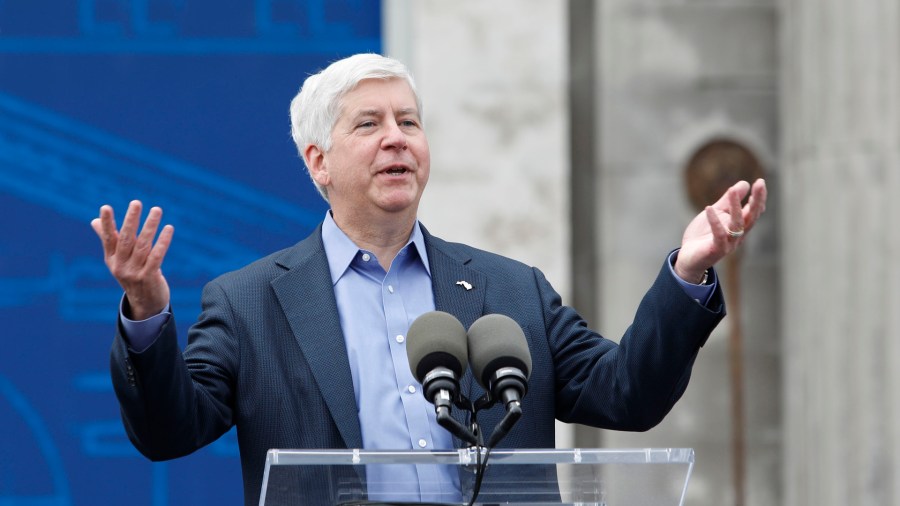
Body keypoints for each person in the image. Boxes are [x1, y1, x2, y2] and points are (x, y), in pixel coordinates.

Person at [91, 53, 767, 506]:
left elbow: (628, 396)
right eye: (370, 124)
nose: (397, 139)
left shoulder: (511, 291)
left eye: (409, 122)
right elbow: (168, 432)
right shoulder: (247, 304)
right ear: (319, 162)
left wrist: (689, 269)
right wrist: (147, 310)